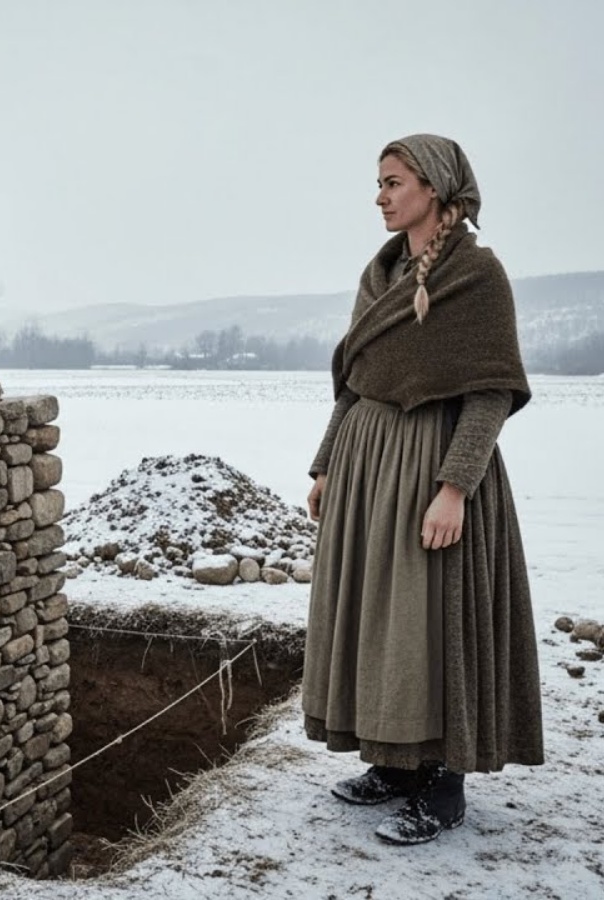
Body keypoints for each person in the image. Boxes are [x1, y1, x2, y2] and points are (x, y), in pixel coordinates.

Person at [301, 134, 544, 846]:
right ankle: (393, 762)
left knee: (433, 622)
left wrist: (454, 487)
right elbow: (353, 384)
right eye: (378, 183)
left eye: (392, 181)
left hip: (434, 466)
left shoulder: (477, 274)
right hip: (368, 465)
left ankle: (442, 785)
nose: (380, 196)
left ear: (432, 188)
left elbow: (491, 391)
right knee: (379, 617)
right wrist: (324, 465)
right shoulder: (379, 275)